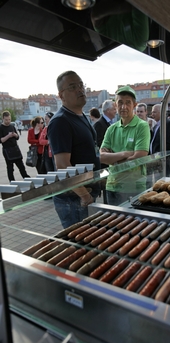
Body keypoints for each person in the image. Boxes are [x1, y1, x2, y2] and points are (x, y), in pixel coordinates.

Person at [47, 70, 101, 228]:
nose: (80, 90)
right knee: (79, 246)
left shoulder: (82, 116)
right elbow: (63, 165)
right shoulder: (60, 121)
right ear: (61, 95)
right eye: (73, 87)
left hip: (86, 194)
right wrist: (84, 195)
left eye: (81, 85)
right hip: (74, 199)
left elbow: (91, 154)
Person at [100, 86, 150, 206]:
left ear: (134, 105)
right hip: (112, 186)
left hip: (134, 187)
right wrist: (125, 154)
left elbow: (139, 156)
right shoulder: (111, 129)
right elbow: (101, 157)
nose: (124, 107)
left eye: (128, 102)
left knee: (135, 223)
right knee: (112, 223)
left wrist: (113, 159)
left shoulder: (142, 126)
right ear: (115, 105)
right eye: (120, 102)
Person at [94, 100, 117, 203]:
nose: (116, 111)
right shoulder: (99, 124)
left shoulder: (112, 124)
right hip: (104, 164)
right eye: (114, 109)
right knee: (106, 190)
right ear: (108, 110)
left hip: (111, 163)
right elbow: (99, 144)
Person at [0, 110, 30, 182]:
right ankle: (12, 181)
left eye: (9, 119)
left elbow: (17, 137)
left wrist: (15, 135)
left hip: (15, 148)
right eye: (6, 120)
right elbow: (1, 140)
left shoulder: (12, 126)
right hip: (7, 149)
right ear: (3, 119)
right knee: (10, 168)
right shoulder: (1, 127)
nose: (8, 121)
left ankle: (26, 178)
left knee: (21, 166)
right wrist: (8, 136)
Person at [150, 104, 170, 177]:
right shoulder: (155, 126)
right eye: (152, 112)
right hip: (155, 160)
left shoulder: (168, 124)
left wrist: (160, 155)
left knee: (162, 182)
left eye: (154, 112)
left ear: (161, 112)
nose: (152, 114)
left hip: (162, 161)